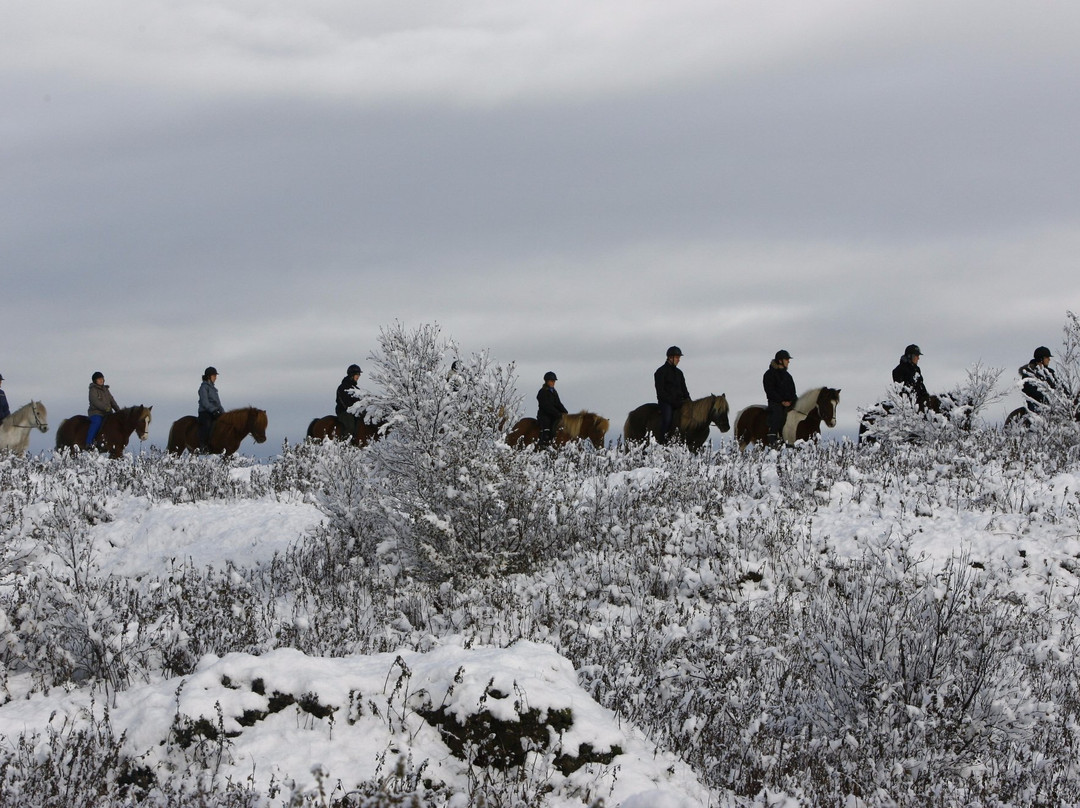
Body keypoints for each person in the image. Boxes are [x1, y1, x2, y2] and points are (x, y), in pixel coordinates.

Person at [654, 346, 690, 443]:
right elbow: (660, 392)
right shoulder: (660, 372)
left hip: (680, 402)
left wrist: (689, 402)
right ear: (670, 358)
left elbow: (684, 390)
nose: (678, 360)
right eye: (677, 357)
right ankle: (662, 441)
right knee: (667, 418)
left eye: (679, 358)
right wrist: (673, 402)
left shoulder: (679, 373)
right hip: (666, 403)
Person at [763, 350, 796, 447]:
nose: (788, 362)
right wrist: (781, 401)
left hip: (788, 403)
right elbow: (770, 391)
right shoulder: (769, 374)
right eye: (786, 359)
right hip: (775, 403)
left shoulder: (788, 376)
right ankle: (772, 436)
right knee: (778, 415)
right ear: (780, 361)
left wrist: (792, 401)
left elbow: (793, 391)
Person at [1019, 346, 1061, 414]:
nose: (1049, 359)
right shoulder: (1028, 373)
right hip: (1035, 405)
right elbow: (1028, 389)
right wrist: (1044, 397)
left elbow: (1059, 386)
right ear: (1041, 359)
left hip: (1052, 404)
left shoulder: (1050, 373)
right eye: (1047, 357)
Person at [86, 371, 120, 449]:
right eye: (99, 379)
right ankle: (89, 442)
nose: (101, 380)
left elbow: (112, 400)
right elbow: (95, 401)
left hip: (107, 413)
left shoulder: (106, 390)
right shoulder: (93, 390)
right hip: (96, 413)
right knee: (96, 422)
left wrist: (118, 411)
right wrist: (106, 408)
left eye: (102, 378)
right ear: (95, 381)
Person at [536, 371, 568, 448]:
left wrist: (564, 412)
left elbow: (558, 403)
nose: (553, 383)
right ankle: (543, 442)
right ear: (547, 381)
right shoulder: (542, 392)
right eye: (551, 381)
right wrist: (557, 413)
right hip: (545, 414)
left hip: (553, 414)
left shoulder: (554, 392)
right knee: (547, 427)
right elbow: (546, 406)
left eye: (554, 381)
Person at [892, 344, 929, 408]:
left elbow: (921, 387)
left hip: (919, 403)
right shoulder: (899, 370)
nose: (918, 358)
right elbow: (903, 390)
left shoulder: (916, 369)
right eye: (917, 356)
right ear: (910, 356)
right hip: (907, 405)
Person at [198, 367, 224, 452]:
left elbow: (218, 404)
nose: (216, 377)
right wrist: (213, 410)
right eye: (214, 375)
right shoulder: (203, 388)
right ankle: (203, 445)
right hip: (205, 412)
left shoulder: (214, 389)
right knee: (207, 424)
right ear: (209, 376)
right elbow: (205, 402)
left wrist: (224, 414)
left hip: (214, 412)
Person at [336, 364, 362, 438]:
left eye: (359, 374)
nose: (358, 376)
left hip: (356, 412)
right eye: (357, 374)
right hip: (344, 411)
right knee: (350, 426)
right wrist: (352, 409)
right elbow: (344, 402)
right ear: (351, 375)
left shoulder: (357, 389)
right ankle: (345, 442)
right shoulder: (342, 387)